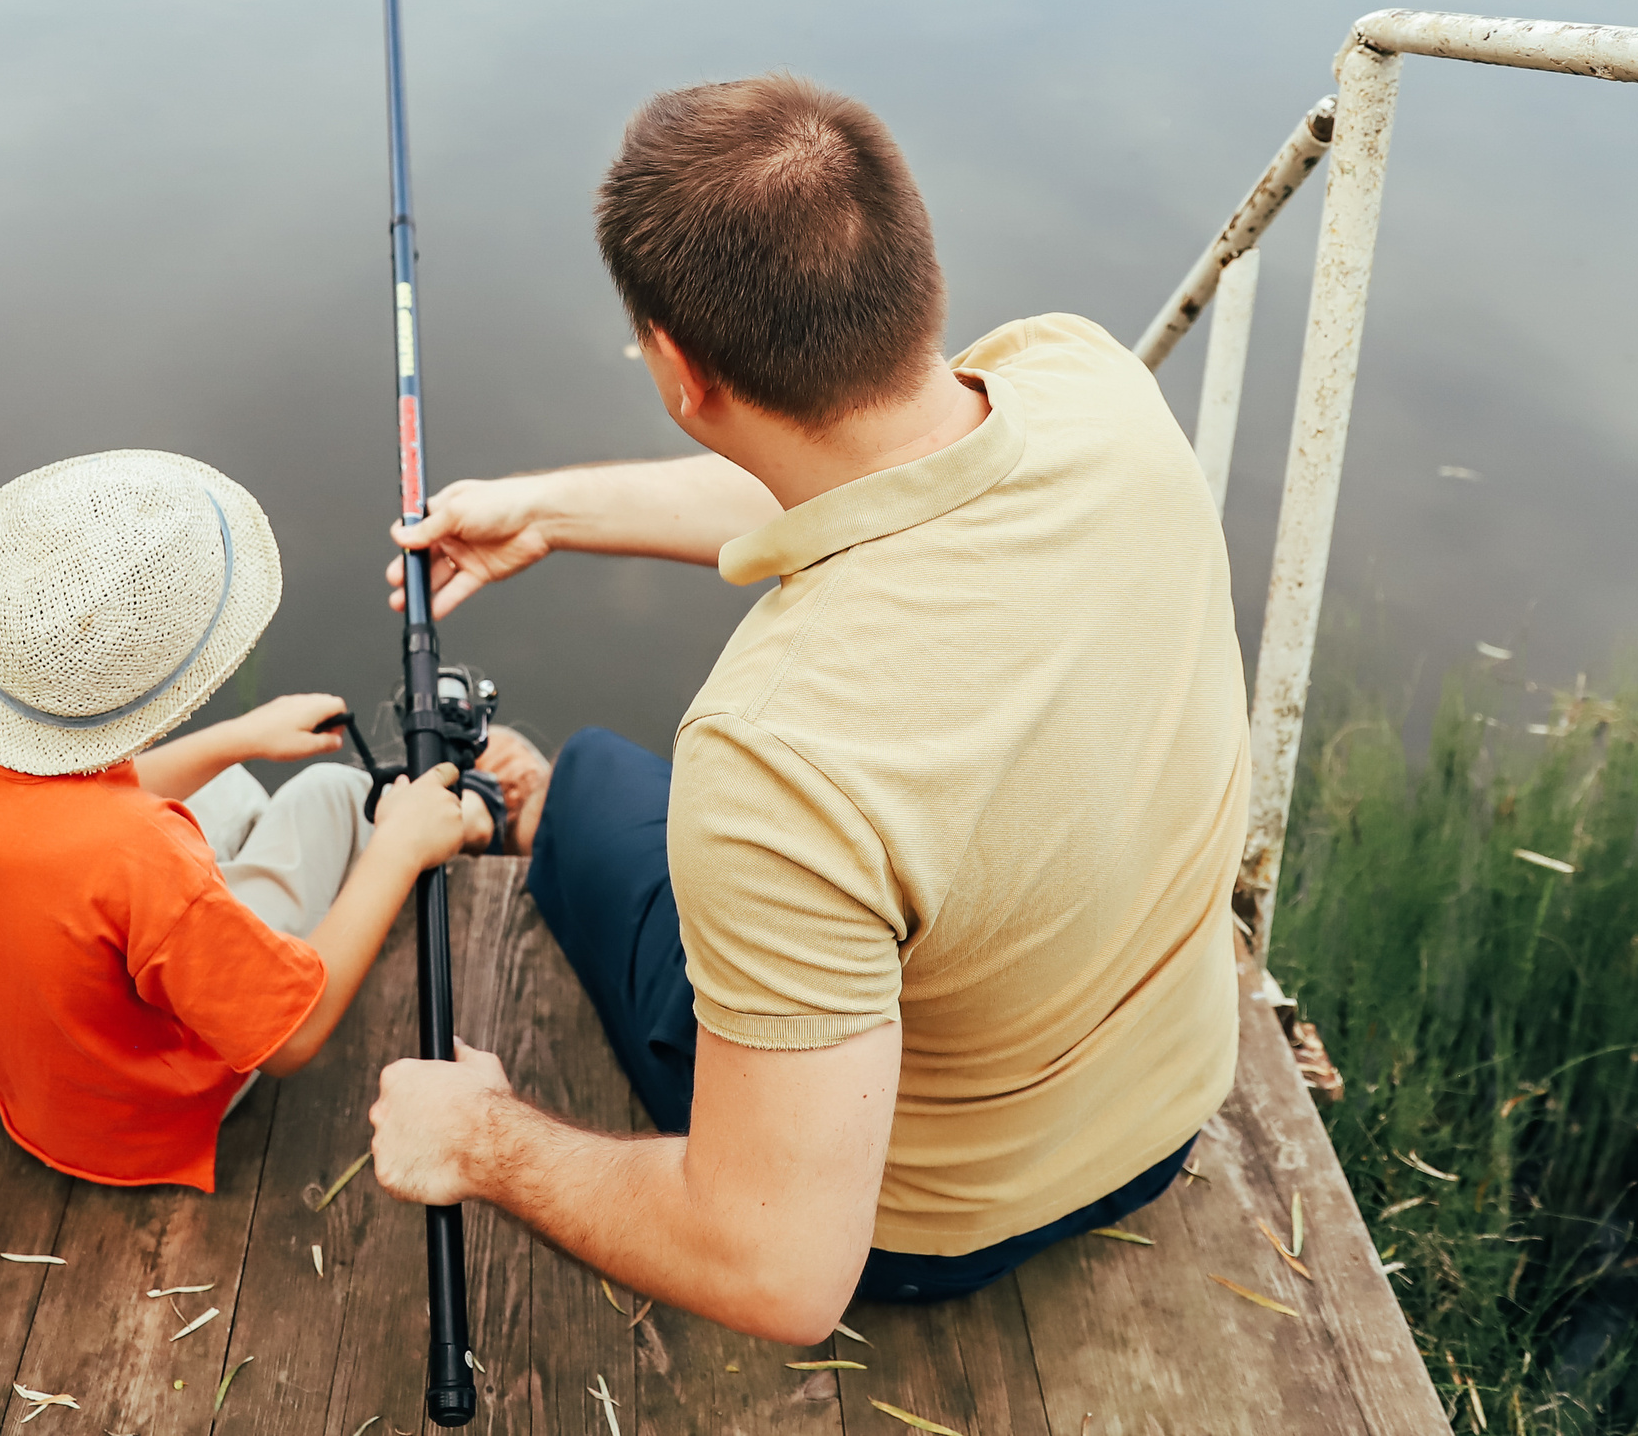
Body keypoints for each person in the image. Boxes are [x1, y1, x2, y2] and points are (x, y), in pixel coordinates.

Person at [365, 74, 1250, 1341]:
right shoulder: (1087, 383)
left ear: (676, 368)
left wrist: (486, 1141)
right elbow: (866, 475)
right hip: (1166, 1113)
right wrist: (550, 511)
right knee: (729, 841)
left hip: (933, 1229)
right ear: (910, 269)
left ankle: (544, 818)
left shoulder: (774, 757)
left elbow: (774, 1272)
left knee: (605, 789)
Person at [0, 448, 494, 1192]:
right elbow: (293, 1038)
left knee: (233, 783)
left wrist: (241, 735)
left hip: (40, 1079)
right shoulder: (139, 857)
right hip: (139, 1115)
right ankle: (469, 819)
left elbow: (65, 809)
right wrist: (399, 851)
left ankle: (325, 822)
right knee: (326, 800)